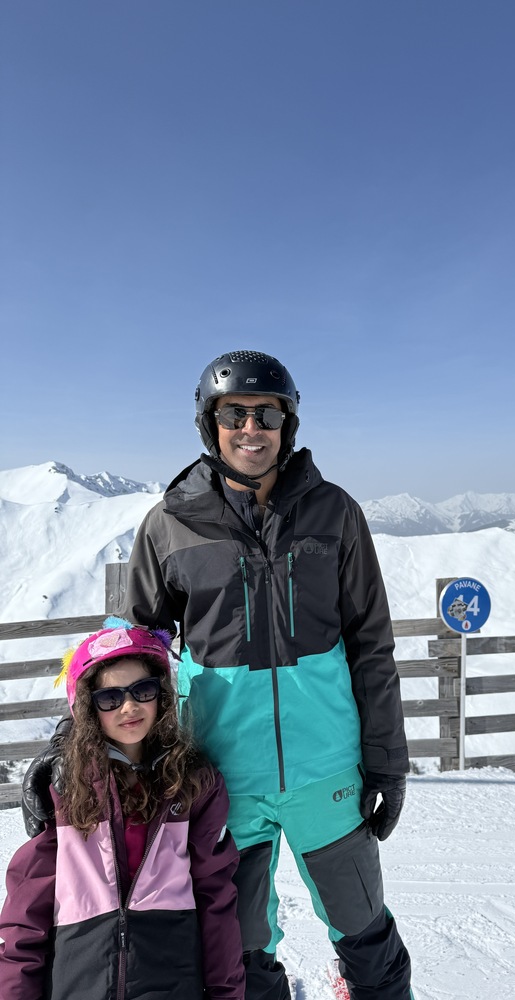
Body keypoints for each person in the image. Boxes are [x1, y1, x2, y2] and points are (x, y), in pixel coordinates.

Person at [23, 350, 413, 1000]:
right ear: (211, 424)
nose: (251, 429)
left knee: (364, 929)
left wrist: (387, 762)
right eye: (235, 415)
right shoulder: (170, 524)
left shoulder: (335, 513)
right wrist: (74, 750)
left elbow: (371, 645)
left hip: (328, 771)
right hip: (223, 781)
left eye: (267, 414)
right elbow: (127, 657)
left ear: (288, 424)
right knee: (243, 949)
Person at [2, 617, 245, 1000]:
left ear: (161, 694)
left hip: (170, 981)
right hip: (79, 982)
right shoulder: (66, 788)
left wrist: (226, 992)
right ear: (89, 707)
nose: (129, 706)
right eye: (110, 698)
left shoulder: (192, 784)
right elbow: (26, 914)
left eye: (142, 690)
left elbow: (216, 900)